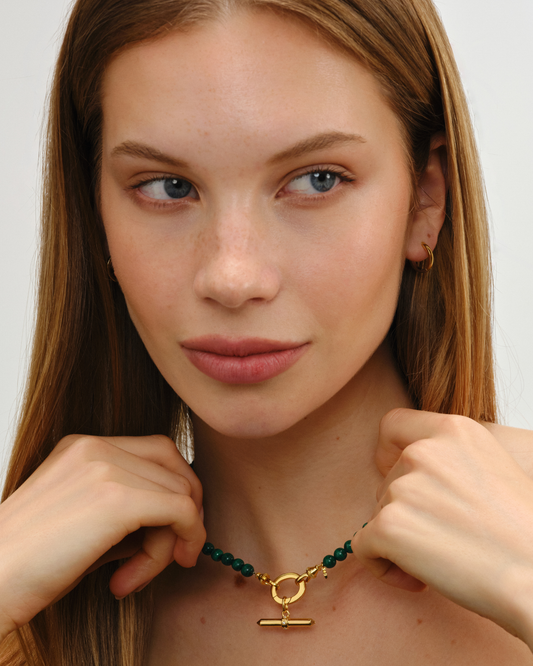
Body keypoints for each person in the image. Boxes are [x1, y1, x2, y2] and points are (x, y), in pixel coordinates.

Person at [1, 0, 533, 663]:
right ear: (96, 213)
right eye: (167, 187)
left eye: (316, 180)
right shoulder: (27, 612)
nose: (232, 277)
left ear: (425, 198)